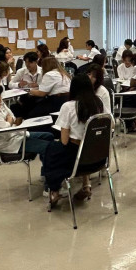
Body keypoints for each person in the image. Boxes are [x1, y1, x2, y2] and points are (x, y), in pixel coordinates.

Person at [42, 75, 108, 207]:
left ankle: (54, 190)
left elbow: (64, 141)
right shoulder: (98, 103)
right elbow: (110, 125)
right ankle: (86, 184)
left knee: (50, 150)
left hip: (76, 160)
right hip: (99, 157)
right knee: (83, 146)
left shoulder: (68, 106)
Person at [0, 70, 53, 168]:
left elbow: (12, 116)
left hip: (15, 134)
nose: (0, 86)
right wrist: (9, 121)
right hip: (8, 142)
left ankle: (47, 170)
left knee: (49, 136)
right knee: (52, 148)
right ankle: (50, 175)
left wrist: (9, 120)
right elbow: (3, 127)